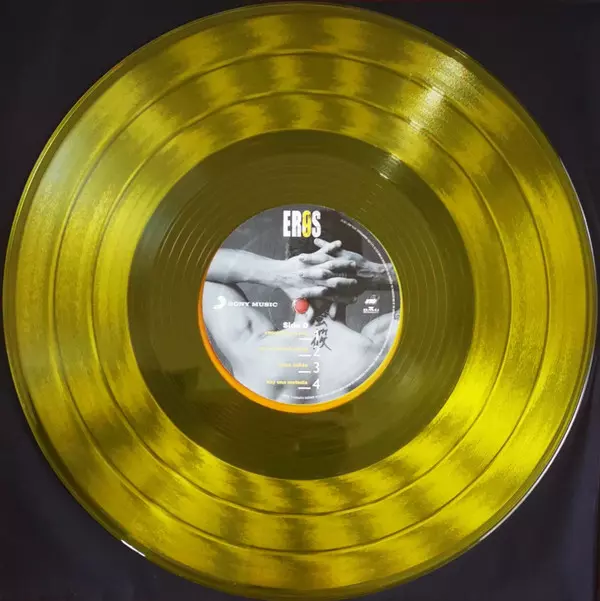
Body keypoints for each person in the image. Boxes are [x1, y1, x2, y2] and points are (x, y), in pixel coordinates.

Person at [201, 215, 400, 405]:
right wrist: (378, 274)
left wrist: (278, 273)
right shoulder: (382, 345)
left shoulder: (249, 343)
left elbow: (195, 264)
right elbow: (421, 278)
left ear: (290, 259)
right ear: (357, 270)